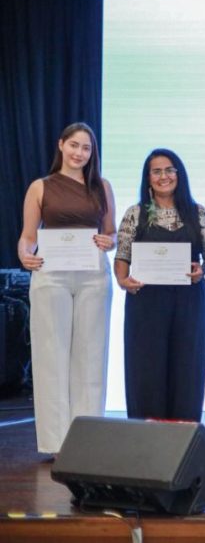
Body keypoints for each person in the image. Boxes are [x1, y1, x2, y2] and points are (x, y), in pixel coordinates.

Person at [17, 122, 116, 457]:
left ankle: (86, 441)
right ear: (61, 145)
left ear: (92, 153)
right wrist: (25, 254)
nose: (79, 153)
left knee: (92, 355)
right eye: (74, 145)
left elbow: (111, 232)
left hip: (93, 274)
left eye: (86, 148)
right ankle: (55, 443)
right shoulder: (40, 187)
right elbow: (28, 236)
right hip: (51, 274)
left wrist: (110, 241)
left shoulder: (102, 186)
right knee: (51, 355)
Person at [114, 149, 205, 422]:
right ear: (148, 178)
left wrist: (203, 270)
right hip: (146, 303)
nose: (163, 176)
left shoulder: (198, 213)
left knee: (188, 367)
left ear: (179, 174)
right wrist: (122, 280)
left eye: (169, 170)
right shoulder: (135, 213)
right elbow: (122, 255)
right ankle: (147, 439)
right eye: (156, 171)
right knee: (146, 370)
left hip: (189, 302)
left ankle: (183, 436)